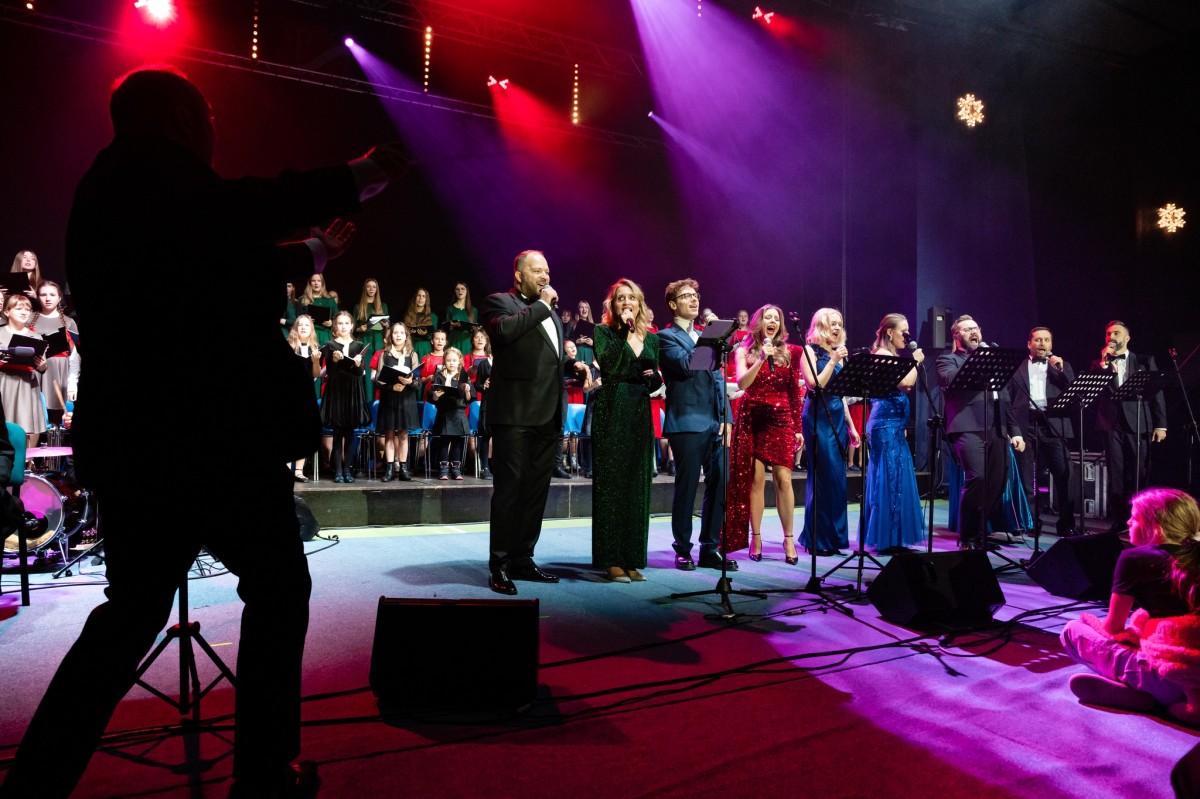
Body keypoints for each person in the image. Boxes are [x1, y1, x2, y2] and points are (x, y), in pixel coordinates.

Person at [0, 66, 409, 799]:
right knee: (279, 583)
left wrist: (314, 253)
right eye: (208, 113)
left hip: (138, 439)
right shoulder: (157, 177)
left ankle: (36, 779)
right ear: (183, 120)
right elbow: (249, 209)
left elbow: (226, 261)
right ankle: (262, 775)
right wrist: (360, 173)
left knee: (132, 610)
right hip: (204, 436)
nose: (215, 127)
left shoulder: (109, 193)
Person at [481, 250, 586, 595]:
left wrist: (571, 368)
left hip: (548, 415)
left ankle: (523, 560)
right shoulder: (499, 303)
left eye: (548, 271)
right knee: (509, 491)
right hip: (514, 415)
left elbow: (546, 360)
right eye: (537, 271)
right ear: (519, 275)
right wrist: (542, 304)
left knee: (535, 493)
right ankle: (499, 565)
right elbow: (507, 334)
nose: (545, 276)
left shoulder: (551, 314)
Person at [1060, 488, 1200, 722]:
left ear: (1154, 524)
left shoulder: (1135, 558)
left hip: (1174, 681)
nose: (1128, 522)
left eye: (1134, 517)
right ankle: (1140, 693)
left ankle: (1145, 695)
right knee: (1142, 625)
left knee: (1072, 631)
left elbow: (1113, 628)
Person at [658, 278, 735, 572]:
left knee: (720, 483)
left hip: (714, 420)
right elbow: (690, 365)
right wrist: (713, 336)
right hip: (687, 421)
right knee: (687, 486)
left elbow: (719, 379)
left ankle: (710, 547)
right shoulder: (666, 337)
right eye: (686, 296)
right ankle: (682, 548)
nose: (694, 300)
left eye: (696, 295)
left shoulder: (705, 336)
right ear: (672, 304)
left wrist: (726, 417)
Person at [590, 278, 661, 582]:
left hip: (639, 411)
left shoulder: (652, 338)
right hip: (613, 407)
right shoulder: (602, 332)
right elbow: (610, 366)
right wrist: (631, 340)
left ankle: (632, 557)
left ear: (639, 303)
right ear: (613, 305)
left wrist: (654, 376)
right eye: (620, 299)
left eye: (631, 298)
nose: (626, 303)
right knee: (612, 484)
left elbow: (653, 380)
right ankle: (611, 558)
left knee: (636, 484)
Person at [935, 315, 1025, 550]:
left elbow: (1003, 399)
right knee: (978, 477)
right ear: (956, 336)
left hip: (996, 427)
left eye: (976, 328)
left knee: (997, 480)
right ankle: (967, 537)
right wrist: (979, 358)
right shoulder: (948, 360)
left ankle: (979, 532)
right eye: (967, 330)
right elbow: (952, 381)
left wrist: (1014, 430)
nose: (973, 332)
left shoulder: (993, 362)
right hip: (967, 428)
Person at [726, 304, 805, 564]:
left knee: (784, 479)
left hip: (781, 419)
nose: (772, 321)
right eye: (767, 317)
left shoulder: (792, 352)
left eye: (776, 318)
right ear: (759, 323)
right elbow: (741, 384)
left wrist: (798, 428)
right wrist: (761, 359)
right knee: (756, 481)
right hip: (752, 419)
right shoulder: (743, 351)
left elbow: (795, 392)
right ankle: (756, 537)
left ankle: (788, 539)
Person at [1091, 320, 1167, 533]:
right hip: (1111, 424)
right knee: (1116, 474)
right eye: (1108, 334)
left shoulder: (1143, 360)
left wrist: (1161, 425)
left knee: (1139, 472)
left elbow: (1156, 393)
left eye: (1116, 333)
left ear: (1127, 338)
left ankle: (1140, 518)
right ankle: (1119, 520)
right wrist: (1105, 364)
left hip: (1138, 422)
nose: (1111, 337)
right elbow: (1094, 391)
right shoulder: (1098, 364)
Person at [797, 308, 861, 556]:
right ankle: (817, 539)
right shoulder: (809, 351)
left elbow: (841, 394)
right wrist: (834, 360)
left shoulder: (838, 355)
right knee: (823, 478)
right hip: (817, 417)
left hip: (836, 417)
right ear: (821, 326)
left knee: (837, 480)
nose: (837, 328)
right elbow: (815, 384)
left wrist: (851, 426)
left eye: (840, 324)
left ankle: (834, 538)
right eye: (832, 323)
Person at [861, 314, 926, 554]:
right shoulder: (882, 355)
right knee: (889, 478)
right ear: (889, 332)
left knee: (896, 477)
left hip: (895, 426)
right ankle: (887, 537)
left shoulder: (894, 356)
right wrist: (916, 362)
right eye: (903, 331)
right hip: (885, 425)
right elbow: (906, 384)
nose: (907, 336)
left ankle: (895, 536)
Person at [1007, 326, 1078, 536]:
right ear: (1029, 343)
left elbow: (1075, 393)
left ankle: (1067, 523)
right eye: (1038, 340)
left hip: (1053, 423)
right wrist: (1013, 430)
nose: (1042, 344)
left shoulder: (1062, 367)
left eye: (1047, 340)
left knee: (1065, 475)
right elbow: (1007, 400)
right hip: (1026, 424)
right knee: (1027, 478)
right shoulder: (1016, 368)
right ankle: (1030, 522)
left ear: (1051, 344)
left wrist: (1062, 370)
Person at [321, 310, 369, 483]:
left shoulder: (358, 345)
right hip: (337, 392)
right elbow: (330, 374)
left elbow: (359, 374)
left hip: (353, 392)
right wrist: (334, 361)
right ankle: (338, 471)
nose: (343, 326)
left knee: (350, 434)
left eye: (346, 323)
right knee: (337, 433)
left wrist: (357, 364)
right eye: (340, 323)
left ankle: (348, 470)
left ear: (351, 326)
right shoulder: (329, 345)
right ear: (335, 326)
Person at [371, 321, 421, 482]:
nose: (398, 335)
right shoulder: (384, 355)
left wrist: (409, 383)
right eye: (395, 333)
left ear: (406, 336)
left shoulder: (412, 355)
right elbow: (378, 379)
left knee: (404, 435)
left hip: (406, 399)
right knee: (390, 434)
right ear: (390, 336)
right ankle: (390, 469)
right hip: (390, 398)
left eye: (401, 333)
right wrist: (392, 387)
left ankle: (404, 469)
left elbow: (418, 382)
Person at [0, 294, 50, 449]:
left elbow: (43, 366)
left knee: (25, 426)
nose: (24, 312)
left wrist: (42, 366)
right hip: (4, 382)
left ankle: (25, 464)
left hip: (27, 385)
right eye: (19, 308)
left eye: (27, 309)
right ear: (7, 312)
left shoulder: (35, 336)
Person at [31, 279, 81, 427]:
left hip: (61, 371)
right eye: (43, 294)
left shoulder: (69, 322)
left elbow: (74, 356)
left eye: (52, 295)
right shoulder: (28, 319)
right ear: (37, 297)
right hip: (35, 372)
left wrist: (73, 383)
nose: (47, 298)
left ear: (59, 298)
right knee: (37, 415)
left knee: (58, 419)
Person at [287, 314, 323, 482]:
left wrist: (316, 361)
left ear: (311, 330)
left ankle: (299, 470)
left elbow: (316, 374)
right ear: (296, 328)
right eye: (300, 325)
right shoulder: (289, 346)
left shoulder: (314, 348)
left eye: (306, 325)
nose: (303, 327)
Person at [430, 346, 472, 480]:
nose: (451, 363)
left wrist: (467, 390)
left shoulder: (463, 376)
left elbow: (469, 399)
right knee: (444, 442)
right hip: (444, 412)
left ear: (459, 361)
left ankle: (456, 469)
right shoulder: (439, 376)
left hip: (458, 412)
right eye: (448, 360)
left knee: (457, 442)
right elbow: (433, 396)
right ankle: (443, 469)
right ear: (444, 361)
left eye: (454, 360)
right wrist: (436, 394)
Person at [467, 328, 494, 479]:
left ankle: (496, 465)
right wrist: (484, 386)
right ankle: (484, 467)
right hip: (487, 403)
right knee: (486, 436)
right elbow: (476, 385)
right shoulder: (484, 364)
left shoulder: (505, 362)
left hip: (502, 405)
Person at [299, 271, 339, 345]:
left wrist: (331, 323)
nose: (316, 283)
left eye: (319, 281)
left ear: (322, 283)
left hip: (325, 335)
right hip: (309, 335)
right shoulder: (303, 300)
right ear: (310, 283)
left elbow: (337, 318)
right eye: (313, 281)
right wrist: (306, 320)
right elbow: (296, 319)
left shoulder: (330, 300)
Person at [352, 277, 389, 355]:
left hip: (379, 339)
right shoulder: (358, 306)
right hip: (364, 338)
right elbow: (353, 327)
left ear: (376, 289)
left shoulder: (383, 306)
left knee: (378, 364)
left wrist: (386, 325)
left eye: (374, 287)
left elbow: (388, 326)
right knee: (366, 364)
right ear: (365, 289)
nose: (371, 289)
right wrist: (360, 329)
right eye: (368, 286)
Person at [443, 281, 478, 352]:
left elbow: (475, 328)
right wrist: (451, 325)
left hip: (467, 342)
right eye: (457, 289)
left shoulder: (473, 310)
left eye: (462, 289)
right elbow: (445, 328)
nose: (460, 291)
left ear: (467, 291)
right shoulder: (450, 309)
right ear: (455, 291)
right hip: (453, 341)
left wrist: (475, 329)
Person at [403, 287, 437, 359]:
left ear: (426, 300)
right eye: (419, 296)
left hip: (425, 347)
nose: (421, 298)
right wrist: (409, 332)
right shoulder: (407, 315)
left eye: (423, 296)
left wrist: (426, 334)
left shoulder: (432, 316)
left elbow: (435, 335)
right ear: (415, 298)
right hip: (411, 345)